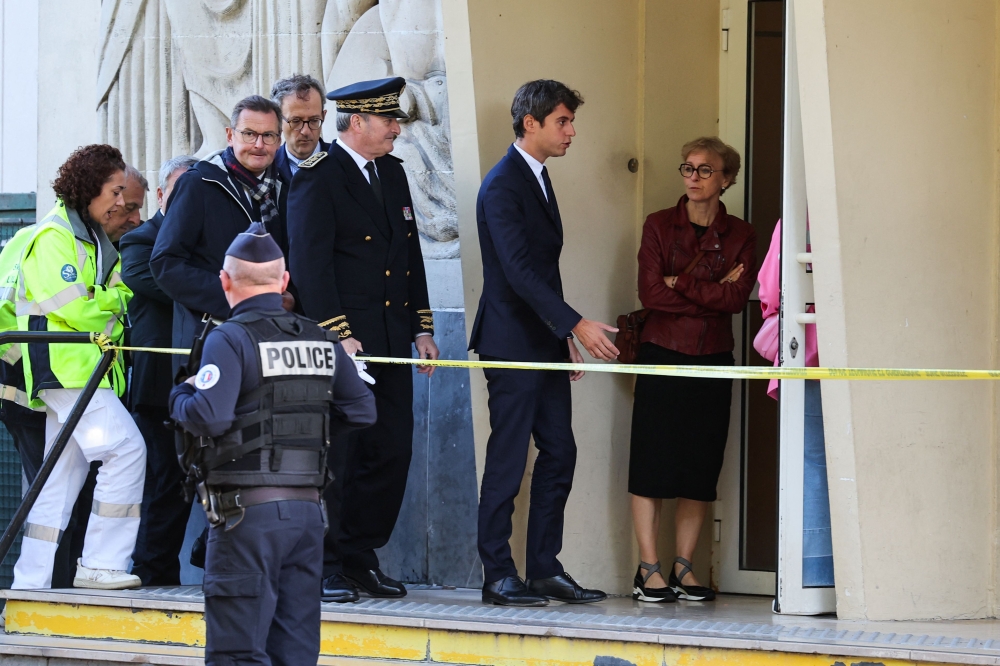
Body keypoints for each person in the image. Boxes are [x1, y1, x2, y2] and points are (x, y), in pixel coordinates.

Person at [169, 223, 376, 665]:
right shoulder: (322, 337)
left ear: (224, 282)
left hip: (247, 516)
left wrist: (180, 396)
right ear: (283, 282)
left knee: (238, 652)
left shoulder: (229, 337)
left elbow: (211, 416)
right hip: (306, 515)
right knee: (295, 651)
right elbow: (362, 410)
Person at [287, 76, 439, 603]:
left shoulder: (392, 175)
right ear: (356, 123)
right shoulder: (318, 178)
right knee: (340, 457)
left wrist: (422, 327)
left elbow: (408, 254)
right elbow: (310, 266)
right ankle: (324, 562)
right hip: (345, 348)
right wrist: (339, 337)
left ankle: (359, 555)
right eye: (388, 120)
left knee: (389, 451)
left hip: (392, 340)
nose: (397, 128)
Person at [469, 79, 617, 606]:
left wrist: (562, 338)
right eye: (562, 121)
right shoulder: (504, 183)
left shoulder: (537, 177)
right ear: (530, 123)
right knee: (509, 459)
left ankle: (544, 569)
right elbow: (518, 273)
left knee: (560, 451)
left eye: (571, 121)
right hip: (510, 341)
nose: (571, 131)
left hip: (544, 342)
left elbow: (542, 275)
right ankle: (497, 574)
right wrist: (577, 324)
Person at [10, 144, 145, 592]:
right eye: (115, 190)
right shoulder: (53, 237)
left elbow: (102, 302)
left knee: (56, 480)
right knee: (127, 450)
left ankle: (32, 582)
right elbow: (82, 309)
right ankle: (101, 564)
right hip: (66, 368)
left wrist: (103, 302)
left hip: (80, 369)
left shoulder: (86, 239)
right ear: (89, 188)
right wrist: (110, 304)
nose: (122, 201)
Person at [629, 136, 756, 603]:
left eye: (705, 170)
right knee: (651, 460)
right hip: (662, 351)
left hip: (714, 356)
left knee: (700, 465)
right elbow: (650, 295)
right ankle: (649, 570)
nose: (694, 177)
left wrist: (679, 281)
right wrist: (707, 289)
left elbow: (736, 301)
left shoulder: (742, 234)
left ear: (726, 179)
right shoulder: (659, 225)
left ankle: (685, 567)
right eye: (688, 168)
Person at [151, 95, 293, 379]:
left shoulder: (288, 186)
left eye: (268, 136)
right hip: (211, 339)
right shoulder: (198, 183)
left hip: (274, 339)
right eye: (249, 134)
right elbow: (166, 263)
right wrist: (241, 299)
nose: (258, 144)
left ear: (279, 140)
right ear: (230, 135)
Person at [121, 154, 197, 586]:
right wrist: (212, 283)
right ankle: (152, 571)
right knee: (165, 479)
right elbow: (162, 284)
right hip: (156, 387)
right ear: (163, 194)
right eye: (180, 190)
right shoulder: (139, 241)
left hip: (200, 382)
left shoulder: (203, 244)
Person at [755, 220, 832, 586]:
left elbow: (771, 289)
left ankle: (814, 577)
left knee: (811, 462)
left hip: (806, 349)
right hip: (862, 350)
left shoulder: (798, 215)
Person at [271, 74, 330, 185]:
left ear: (323, 116)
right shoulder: (266, 167)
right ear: (278, 120)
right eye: (296, 121)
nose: (306, 131)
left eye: (314, 120)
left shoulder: (344, 161)